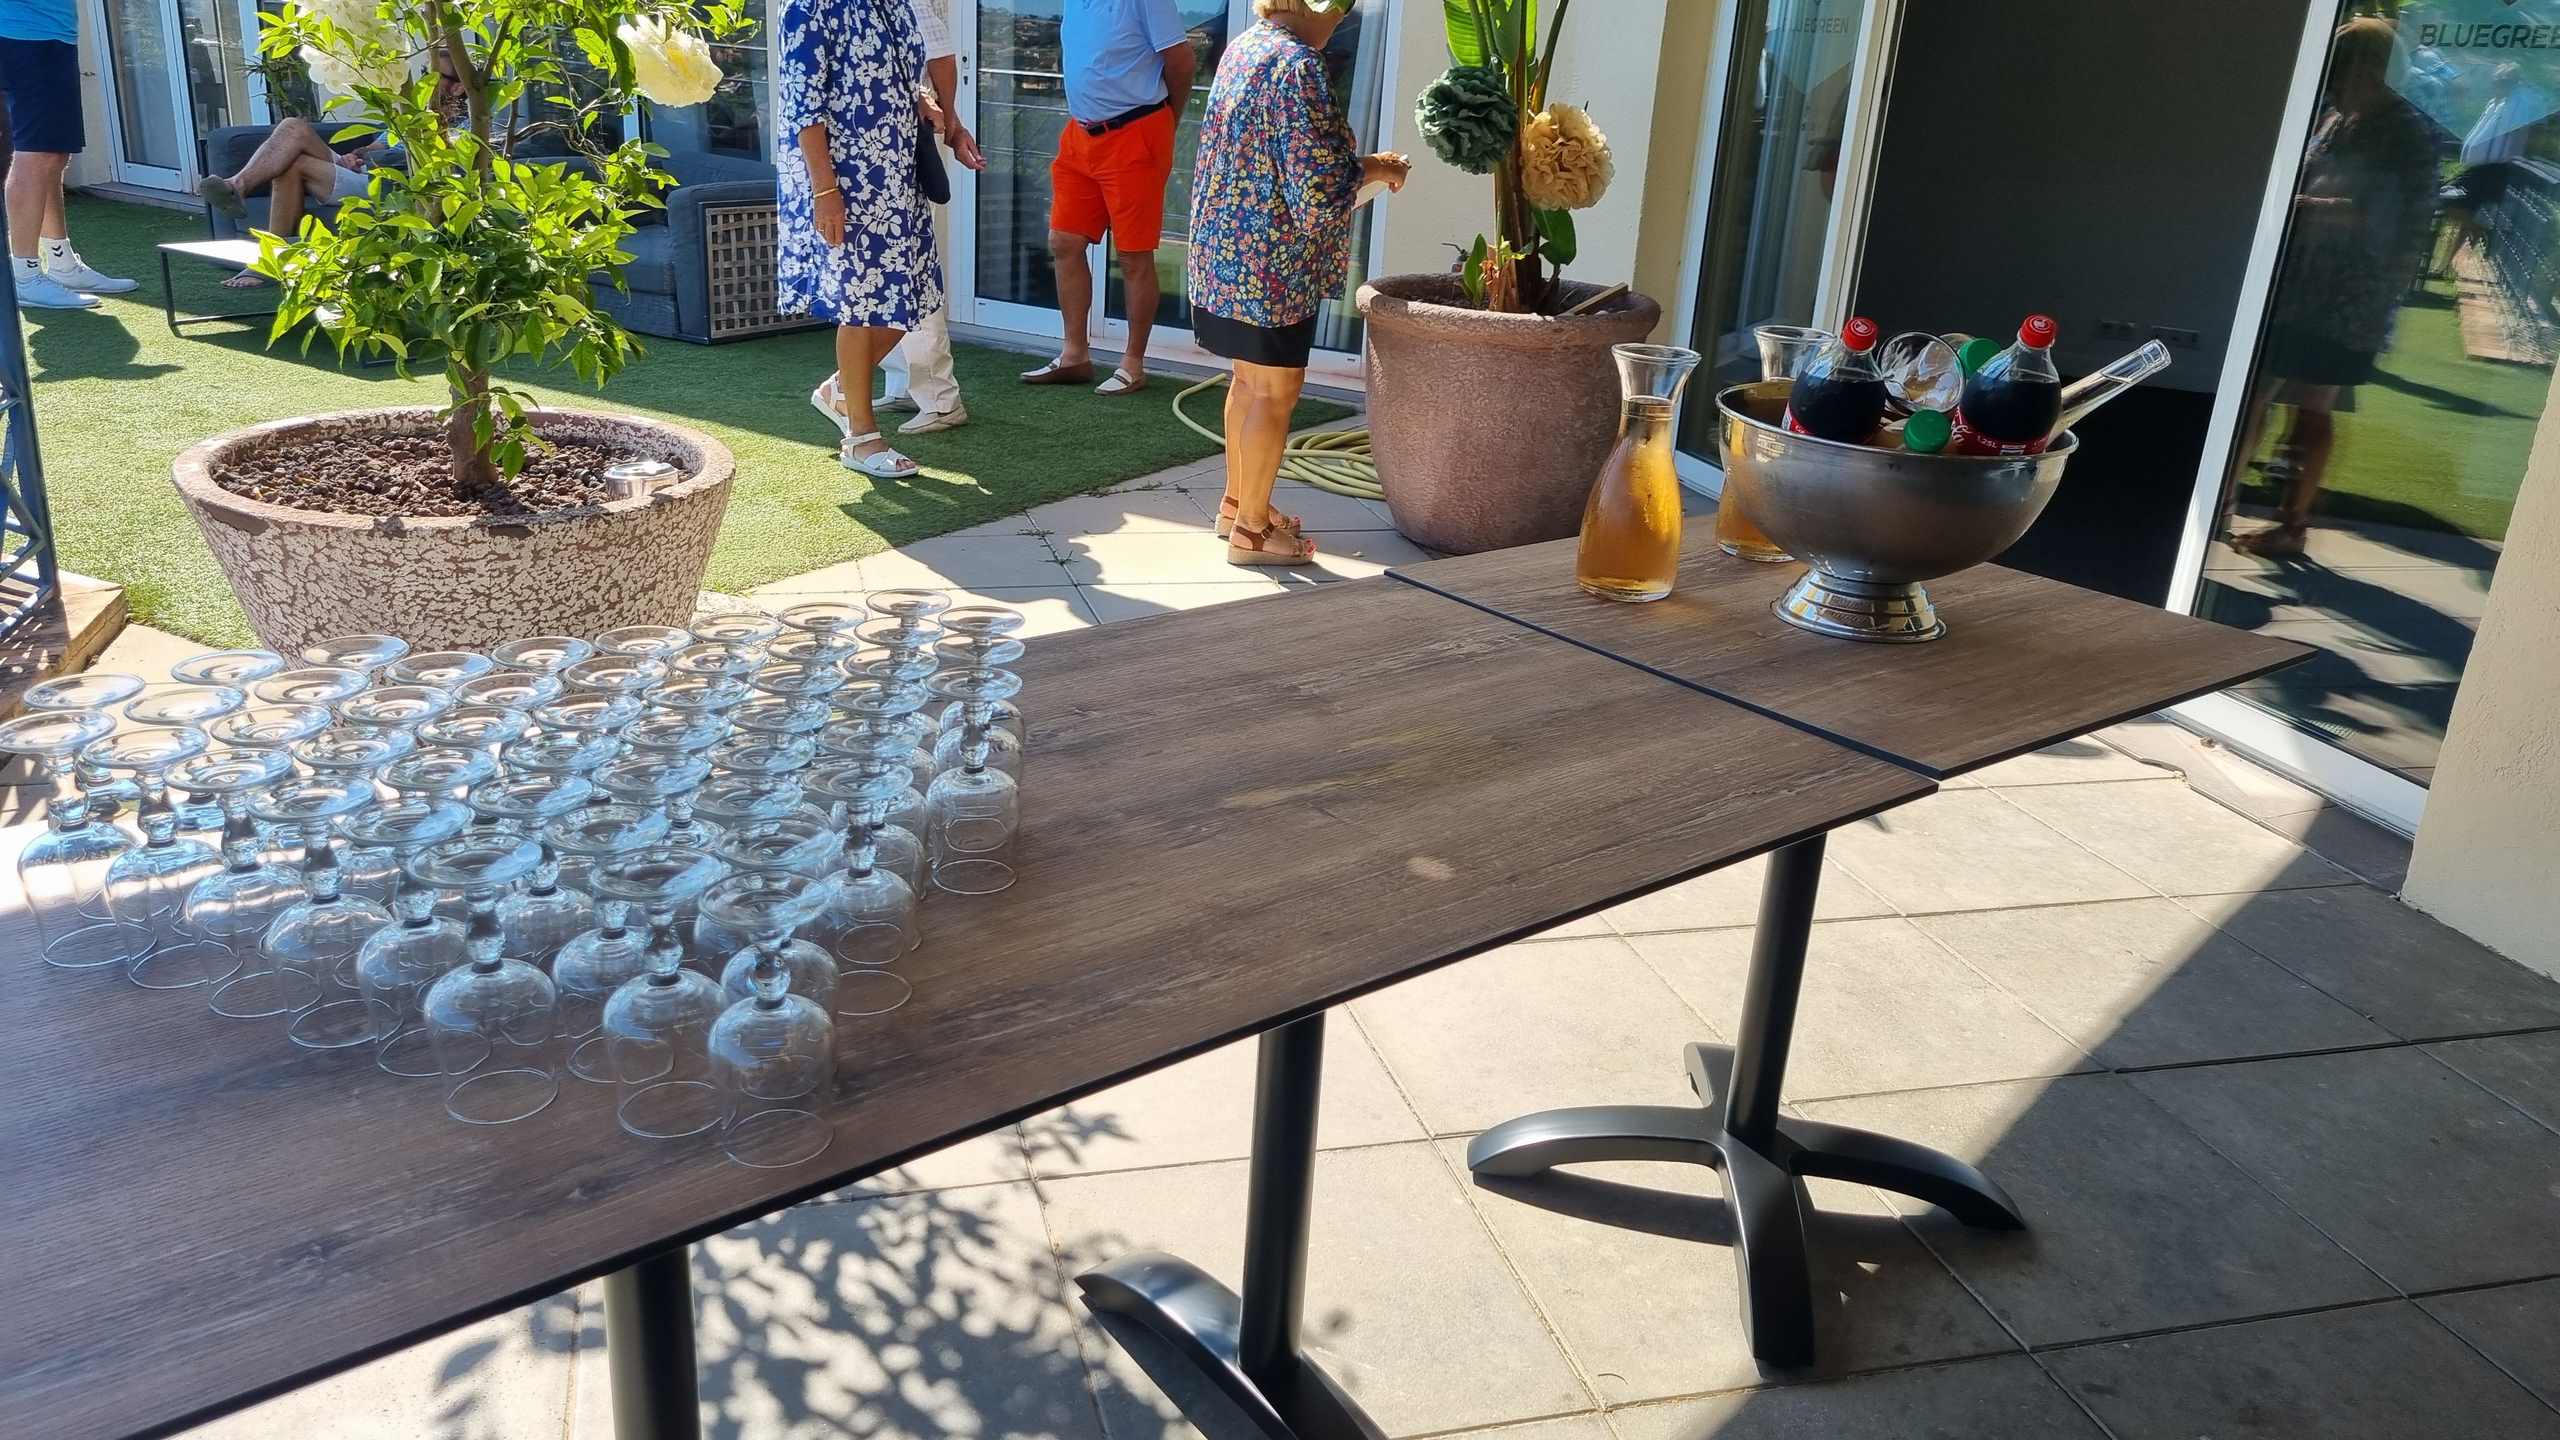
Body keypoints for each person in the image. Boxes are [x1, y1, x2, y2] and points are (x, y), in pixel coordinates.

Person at [1186, 0, 1403, 565]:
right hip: (1271, 266)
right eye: (1341, 9)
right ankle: (1252, 532)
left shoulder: (1245, 47)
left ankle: (1238, 504)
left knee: (1248, 384)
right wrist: (1377, 167)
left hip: (1224, 253)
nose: (1342, 19)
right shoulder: (1299, 64)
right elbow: (1318, 187)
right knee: (1274, 393)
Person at [2226, 17, 2436, 558]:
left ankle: (2291, 525)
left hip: (2350, 298)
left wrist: (2295, 207)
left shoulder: (2403, 132)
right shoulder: (2341, 118)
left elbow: (2379, 216)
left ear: (2368, 69)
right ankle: (2227, 502)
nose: (2333, 83)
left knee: (2311, 406)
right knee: (2258, 393)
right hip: (2302, 287)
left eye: (2340, 71)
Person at [778, 0, 943, 479]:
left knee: (911, 300)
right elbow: (804, 109)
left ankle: (840, 390)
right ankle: (861, 437)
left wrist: (921, 101)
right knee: (861, 305)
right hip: (848, 183)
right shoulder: (809, 7)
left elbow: (898, 71)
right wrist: (825, 191)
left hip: (898, 178)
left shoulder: (894, 4)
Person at [821, 0, 982, 436]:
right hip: (868, 159)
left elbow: (939, 54)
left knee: (906, 283)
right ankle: (896, 386)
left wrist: (951, 122)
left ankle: (936, 398)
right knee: (881, 290)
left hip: (895, 156)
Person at [1018, 0, 1194, 397]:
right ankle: (1074, 356)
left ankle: (1133, 363)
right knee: (1064, 241)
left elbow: (1182, 63)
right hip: (1081, 135)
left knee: (1133, 254)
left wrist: (1167, 123)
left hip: (1135, 132)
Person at [1, 0, 139, 309]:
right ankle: (24, 275)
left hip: (48, 35)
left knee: (53, 155)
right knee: (37, 155)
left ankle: (61, 264)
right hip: (26, 37)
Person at [197, 119, 380, 289]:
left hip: (383, 180)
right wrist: (355, 156)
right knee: (293, 126)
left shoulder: (401, 125)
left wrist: (377, 159)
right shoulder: (396, 120)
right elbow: (377, 145)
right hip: (364, 169)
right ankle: (236, 185)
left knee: (292, 165)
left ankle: (269, 261)